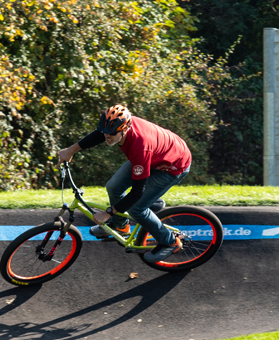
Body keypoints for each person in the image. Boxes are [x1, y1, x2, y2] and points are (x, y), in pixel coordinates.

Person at [57, 104, 191, 262]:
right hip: (155, 155)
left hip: (172, 166)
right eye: (105, 131)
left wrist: (108, 213)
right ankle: (121, 226)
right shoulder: (117, 127)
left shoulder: (140, 147)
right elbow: (99, 135)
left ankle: (169, 242)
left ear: (125, 128)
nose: (107, 136)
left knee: (136, 208)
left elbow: (136, 193)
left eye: (112, 133)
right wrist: (70, 150)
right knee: (113, 186)